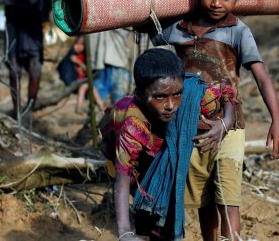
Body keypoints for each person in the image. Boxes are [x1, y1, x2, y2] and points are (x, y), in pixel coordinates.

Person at [146, 0, 279, 240]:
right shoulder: (179, 28)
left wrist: (277, 120)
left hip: (229, 124)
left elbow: (261, 76)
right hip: (191, 125)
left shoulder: (238, 31)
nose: (216, 3)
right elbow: (145, 22)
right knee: (203, 199)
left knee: (228, 198)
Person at [100, 48, 236, 240]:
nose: (171, 105)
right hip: (119, 146)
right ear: (139, 94)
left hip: (157, 147)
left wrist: (226, 122)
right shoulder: (133, 126)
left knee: (165, 199)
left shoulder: (191, 95)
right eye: (160, 97)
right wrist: (125, 233)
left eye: (177, 94)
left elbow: (227, 94)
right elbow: (122, 181)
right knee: (146, 200)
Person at [56, 36, 104, 113]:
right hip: (75, 81)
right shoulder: (71, 55)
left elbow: (85, 69)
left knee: (91, 87)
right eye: (77, 44)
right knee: (85, 87)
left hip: (82, 80)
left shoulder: (83, 56)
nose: (78, 47)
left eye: (81, 45)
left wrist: (78, 63)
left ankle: (100, 106)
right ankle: (81, 107)